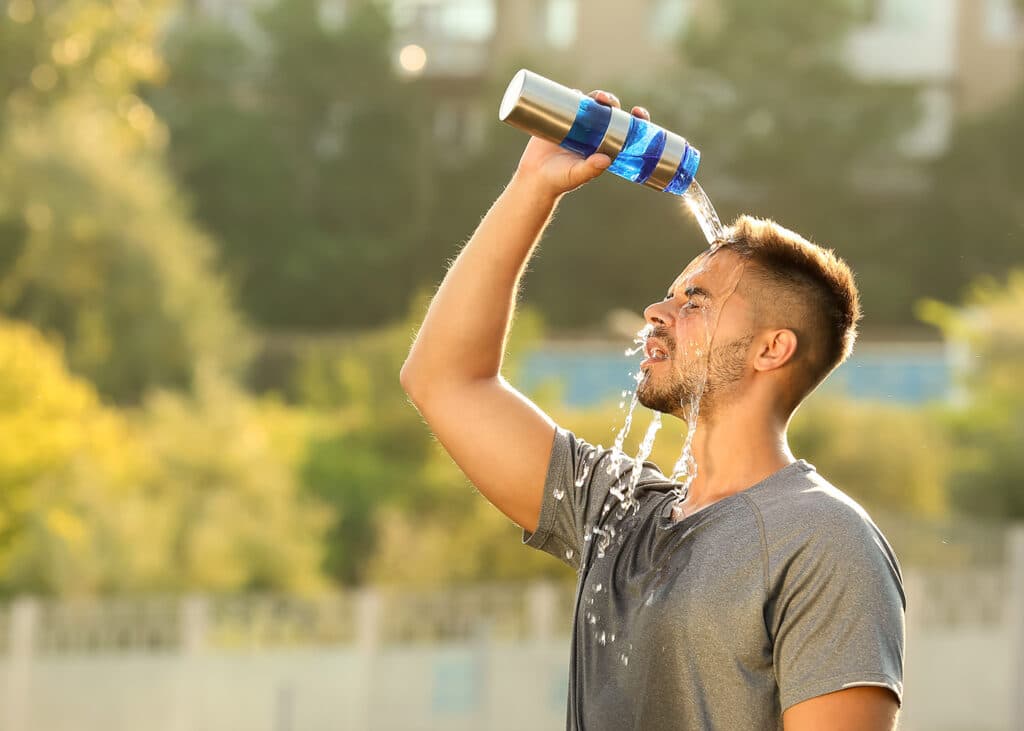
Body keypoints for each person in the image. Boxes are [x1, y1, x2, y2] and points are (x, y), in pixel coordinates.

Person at [400, 89, 905, 730]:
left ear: (771, 349)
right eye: (669, 297)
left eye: (694, 302)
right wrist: (533, 186)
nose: (656, 314)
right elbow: (443, 380)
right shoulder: (618, 516)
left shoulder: (824, 541)